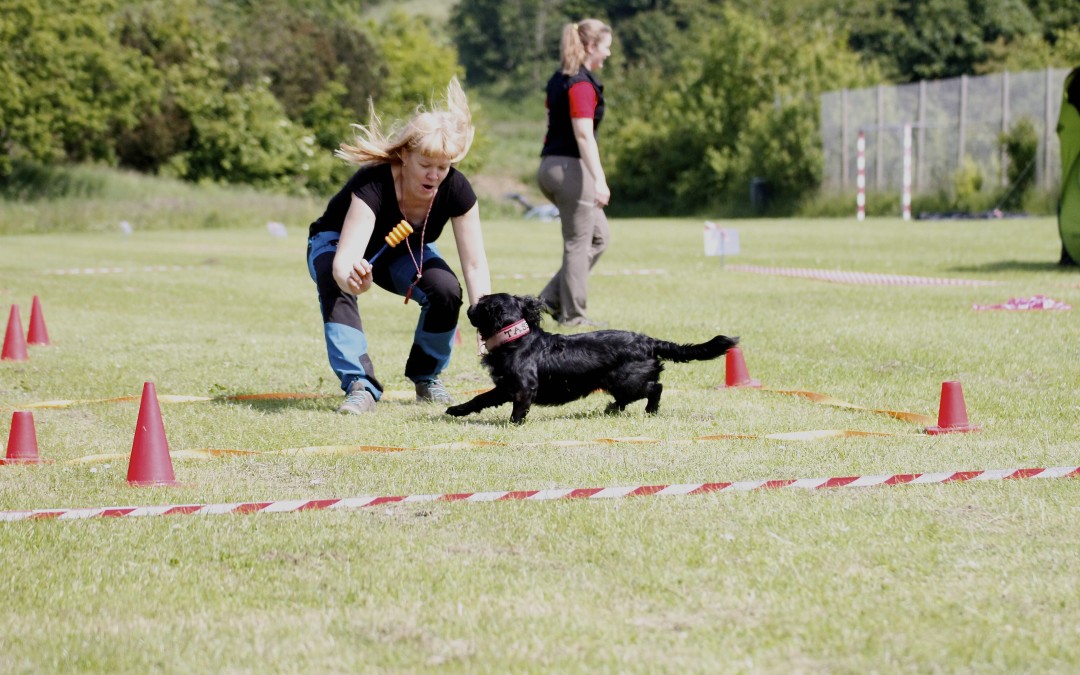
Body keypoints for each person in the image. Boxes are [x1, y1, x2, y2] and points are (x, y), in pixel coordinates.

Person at [306, 77, 491, 414]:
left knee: (446, 289)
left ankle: (427, 377)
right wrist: (351, 279)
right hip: (337, 242)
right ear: (405, 155)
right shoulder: (374, 181)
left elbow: (475, 265)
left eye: (443, 167)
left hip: (401, 248)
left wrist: (486, 321)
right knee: (335, 281)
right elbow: (345, 259)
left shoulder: (457, 190)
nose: (434, 176)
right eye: (426, 165)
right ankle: (359, 384)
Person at [536, 19, 613, 327]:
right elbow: (583, 134)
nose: (608, 54)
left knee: (598, 237)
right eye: (606, 47)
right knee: (578, 243)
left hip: (551, 165)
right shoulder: (580, 84)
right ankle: (574, 317)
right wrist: (600, 178)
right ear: (591, 46)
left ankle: (550, 300)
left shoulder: (559, 79)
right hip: (570, 169)